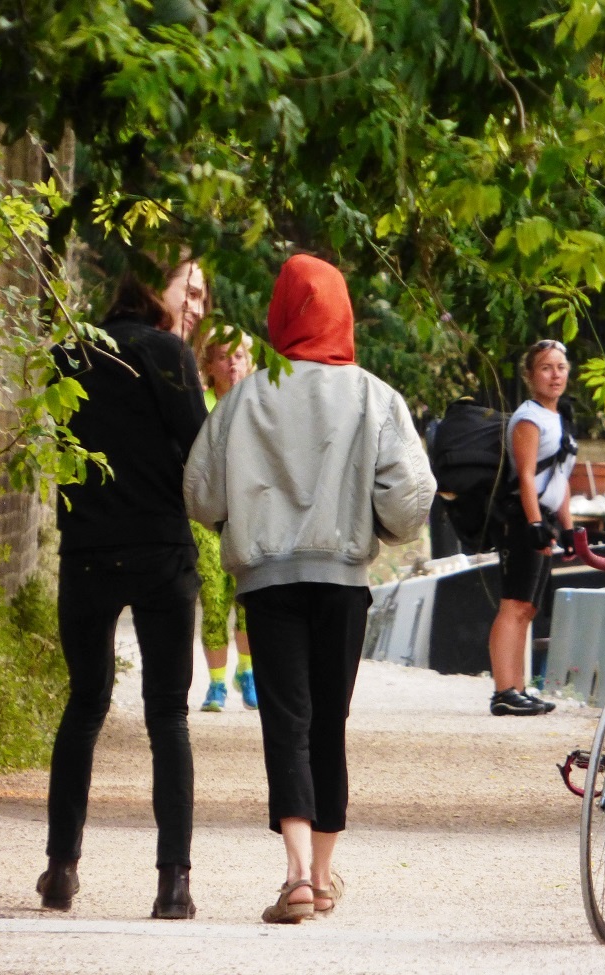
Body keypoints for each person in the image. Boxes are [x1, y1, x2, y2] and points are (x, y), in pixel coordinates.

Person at [184, 254, 434, 923]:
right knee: (331, 722)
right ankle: (323, 877)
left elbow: (200, 494)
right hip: (343, 580)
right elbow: (409, 503)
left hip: (267, 583)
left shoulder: (242, 399)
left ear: (280, 315)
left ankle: (293, 875)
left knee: (286, 723)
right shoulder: (376, 396)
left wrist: (243, 511)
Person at [38, 270, 208, 919]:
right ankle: (173, 884)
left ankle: (60, 868)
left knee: (83, 704)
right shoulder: (167, 352)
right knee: (168, 714)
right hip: (161, 547)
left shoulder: (67, 354)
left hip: (86, 548)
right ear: (155, 302)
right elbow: (200, 445)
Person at [487, 339, 577, 717]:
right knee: (514, 603)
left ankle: (519, 688)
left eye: (560, 367)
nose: (555, 374)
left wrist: (569, 529)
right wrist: (535, 523)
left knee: (529, 606)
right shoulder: (529, 417)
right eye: (545, 367)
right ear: (529, 375)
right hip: (524, 516)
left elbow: (561, 477)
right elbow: (525, 475)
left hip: (546, 516)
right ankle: (503, 690)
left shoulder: (559, 417)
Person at [192, 331, 257, 712]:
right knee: (214, 597)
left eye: (238, 356)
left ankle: (246, 672)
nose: (231, 363)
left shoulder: (261, 402)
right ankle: (216, 683)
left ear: (249, 361)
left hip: (250, 513)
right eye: (221, 357)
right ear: (208, 365)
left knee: (250, 596)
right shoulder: (199, 405)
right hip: (206, 517)